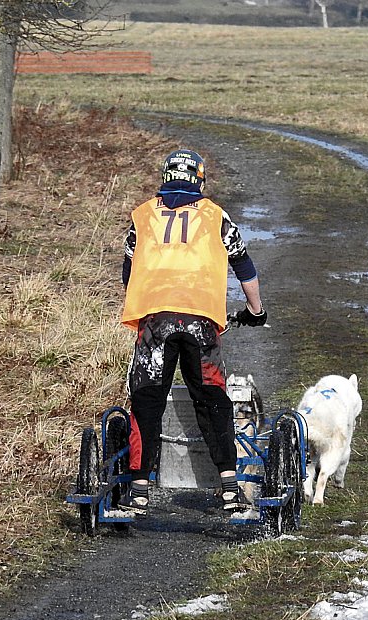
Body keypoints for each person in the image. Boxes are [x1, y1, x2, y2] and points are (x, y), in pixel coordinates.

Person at [119, 149, 267, 513]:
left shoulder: (142, 215)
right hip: (200, 320)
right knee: (212, 398)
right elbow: (244, 266)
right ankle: (229, 484)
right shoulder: (216, 217)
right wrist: (256, 311)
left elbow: (128, 272)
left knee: (148, 399)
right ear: (200, 180)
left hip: (155, 320)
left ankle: (138, 488)